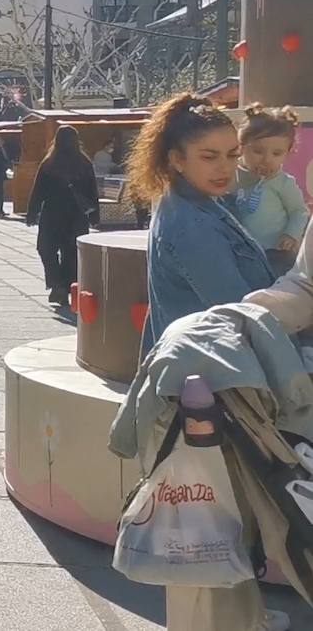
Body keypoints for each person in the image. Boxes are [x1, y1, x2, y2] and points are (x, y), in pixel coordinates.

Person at [121, 93, 283, 631]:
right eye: (209, 156)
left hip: (207, 382)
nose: (226, 167)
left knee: (222, 517)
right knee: (213, 518)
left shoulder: (200, 205)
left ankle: (244, 618)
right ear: (175, 159)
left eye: (231, 154)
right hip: (208, 390)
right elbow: (236, 307)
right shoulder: (190, 221)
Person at [26, 125, 100, 306]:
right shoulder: (84, 163)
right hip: (76, 216)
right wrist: (95, 214)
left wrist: (32, 212)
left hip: (53, 214)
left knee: (45, 249)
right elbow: (92, 191)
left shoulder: (49, 163)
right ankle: (65, 286)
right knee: (71, 253)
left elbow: (38, 190)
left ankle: (57, 282)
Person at [233, 105, 307, 276]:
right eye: (258, 151)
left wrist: (291, 234)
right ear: (241, 147)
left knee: (276, 288)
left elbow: (299, 211)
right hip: (243, 252)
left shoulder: (283, 183)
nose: (267, 159)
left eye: (277, 153)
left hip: (277, 251)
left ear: (287, 153)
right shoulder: (231, 178)